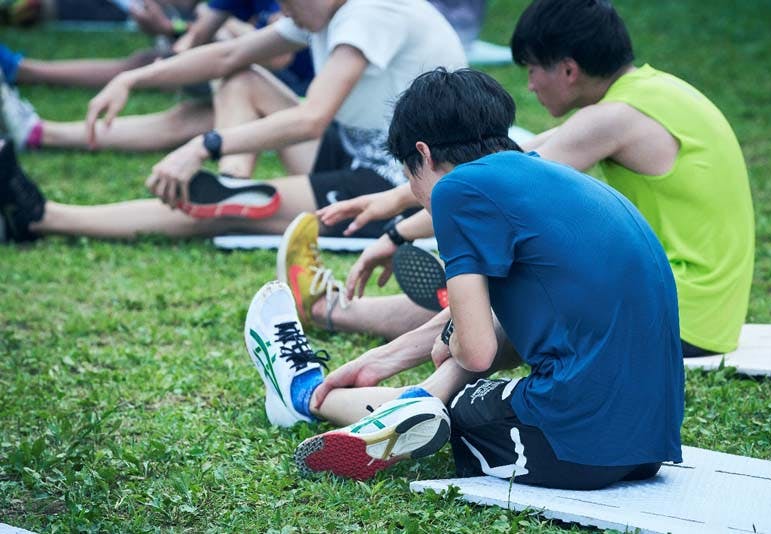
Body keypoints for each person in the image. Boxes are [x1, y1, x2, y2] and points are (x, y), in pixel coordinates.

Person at [244, 68, 685, 487]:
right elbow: (499, 321)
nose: (417, 193)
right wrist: (383, 359)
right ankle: (384, 398)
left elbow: (475, 353)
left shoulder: (457, 190)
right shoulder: (551, 177)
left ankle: (302, 393)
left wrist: (449, 341)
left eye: (410, 178)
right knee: (474, 348)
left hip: (574, 450)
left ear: (423, 154)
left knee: (438, 411)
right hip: (648, 447)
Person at [312, 0, 755, 357]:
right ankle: (344, 312)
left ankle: (330, 310)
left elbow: (493, 190)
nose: (529, 85)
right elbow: (510, 160)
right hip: (702, 311)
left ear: (568, 70)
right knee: (497, 276)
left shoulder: (612, 119)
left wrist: (395, 235)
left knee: (498, 282)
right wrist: (394, 200)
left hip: (676, 316)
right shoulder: (653, 93)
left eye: (532, 69)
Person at [0, 0, 466, 241]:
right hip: (355, 150)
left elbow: (311, 117)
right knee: (241, 78)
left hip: (402, 185)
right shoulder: (330, 10)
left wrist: (205, 143)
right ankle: (233, 187)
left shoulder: (371, 11)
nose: (280, 9)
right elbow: (229, 55)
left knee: (223, 210)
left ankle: (42, 218)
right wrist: (134, 78)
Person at [0, 0, 313, 153]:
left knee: (215, 99)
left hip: (297, 95)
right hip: (284, 95)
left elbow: (276, 57)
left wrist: (188, 34)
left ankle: (231, 188)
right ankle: (37, 131)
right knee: (175, 96)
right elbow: (197, 42)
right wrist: (152, 67)